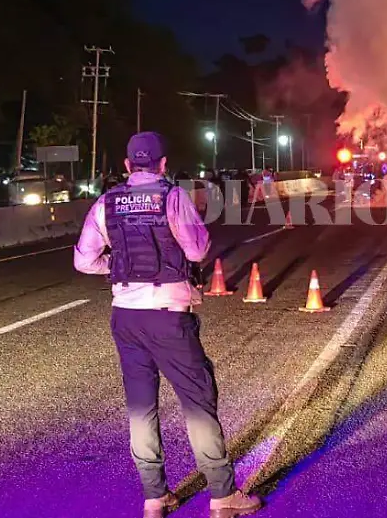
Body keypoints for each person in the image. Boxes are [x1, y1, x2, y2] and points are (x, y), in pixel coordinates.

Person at [74, 132, 261, 518]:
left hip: (125, 315)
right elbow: (196, 250)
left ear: (127, 166)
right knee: (197, 401)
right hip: (169, 315)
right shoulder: (172, 197)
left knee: (141, 406)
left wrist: (119, 266)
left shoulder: (106, 203)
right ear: (162, 164)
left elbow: (83, 261)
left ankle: (154, 497)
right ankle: (222, 494)